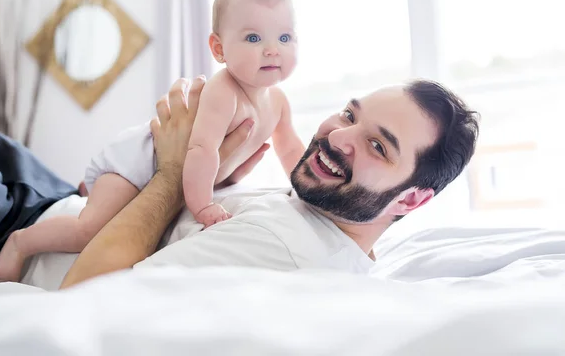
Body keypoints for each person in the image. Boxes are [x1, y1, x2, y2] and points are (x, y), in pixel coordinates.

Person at [0, 0, 306, 282]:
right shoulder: (223, 92)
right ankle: (21, 242)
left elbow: (290, 147)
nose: (271, 50)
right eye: (254, 38)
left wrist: (303, 189)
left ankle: (91, 191)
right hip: (136, 161)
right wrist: (202, 206)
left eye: (284, 37)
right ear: (219, 49)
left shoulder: (277, 101)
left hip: (162, 169)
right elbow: (201, 151)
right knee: (89, 229)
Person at [58, 74, 479, 289]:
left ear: (411, 201)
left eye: (377, 147)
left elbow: (85, 299)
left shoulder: (280, 245)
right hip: (64, 202)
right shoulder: (329, 221)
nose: (336, 136)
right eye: (350, 115)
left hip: (11, 226)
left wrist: (171, 173)